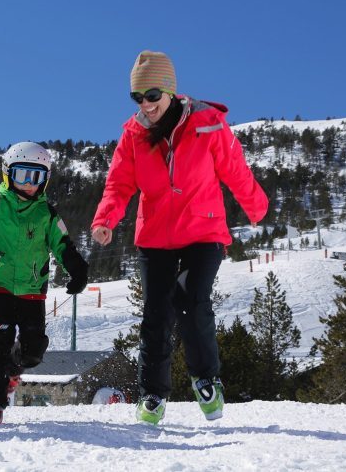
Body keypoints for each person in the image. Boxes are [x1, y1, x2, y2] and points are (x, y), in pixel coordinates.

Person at [91, 50, 268, 425]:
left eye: (152, 95)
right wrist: (105, 218)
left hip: (203, 231)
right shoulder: (133, 134)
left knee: (191, 300)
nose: (146, 105)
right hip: (154, 236)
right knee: (156, 314)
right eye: (137, 97)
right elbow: (119, 184)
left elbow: (234, 169)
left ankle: (206, 380)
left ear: (170, 90)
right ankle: (152, 394)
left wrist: (257, 207)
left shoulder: (207, 123)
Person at [0, 141, 89, 425]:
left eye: (35, 178)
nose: (28, 185)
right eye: (22, 175)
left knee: (33, 351)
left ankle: (12, 368)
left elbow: (63, 244)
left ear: (44, 181)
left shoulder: (47, 213)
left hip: (33, 291)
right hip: (0, 287)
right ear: (7, 175)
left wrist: (77, 269)